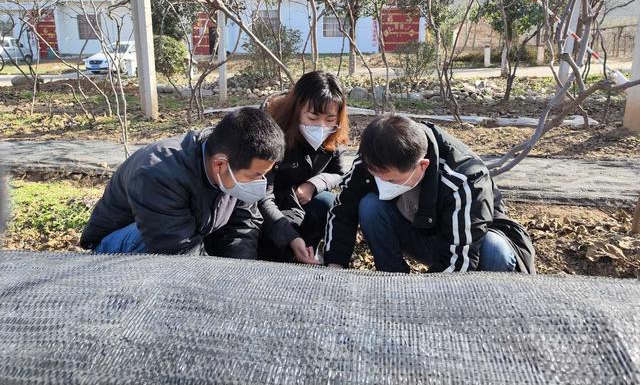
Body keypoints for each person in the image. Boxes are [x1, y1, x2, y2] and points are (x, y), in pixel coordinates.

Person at [323, 115, 535, 273]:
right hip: (420, 234)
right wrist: (335, 263)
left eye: (391, 180)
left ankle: (487, 301)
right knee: (370, 206)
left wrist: (426, 298)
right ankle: (392, 281)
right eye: (378, 177)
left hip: (468, 246)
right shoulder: (374, 160)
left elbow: (462, 259)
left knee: (495, 250)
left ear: (422, 165)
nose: (383, 184)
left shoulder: (465, 179)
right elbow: (343, 211)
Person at [80, 107, 285, 258]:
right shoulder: (158, 174)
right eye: (255, 175)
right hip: (117, 245)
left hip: (189, 233)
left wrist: (239, 275)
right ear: (220, 165)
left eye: (264, 175)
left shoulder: (235, 164)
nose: (260, 182)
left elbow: (242, 226)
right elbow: (177, 248)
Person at [258, 71, 350, 264]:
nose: (321, 126)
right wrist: (290, 236)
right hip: (269, 209)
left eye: (330, 119)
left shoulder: (333, 135)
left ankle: (308, 253)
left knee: (328, 202)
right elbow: (262, 196)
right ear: (296, 108)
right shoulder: (273, 133)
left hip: (302, 204)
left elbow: (339, 172)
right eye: (313, 117)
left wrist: (313, 184)